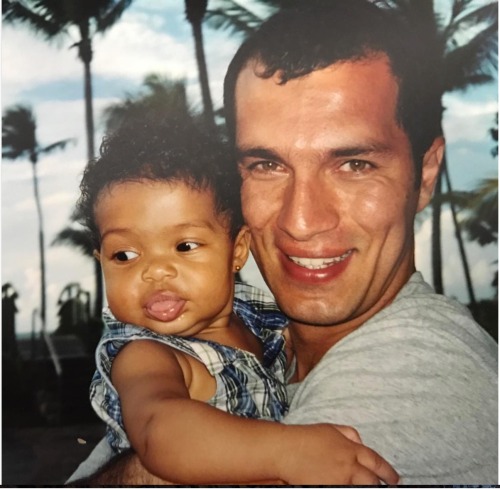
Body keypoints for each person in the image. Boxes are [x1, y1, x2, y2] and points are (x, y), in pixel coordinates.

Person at [68, 0, 498, 485]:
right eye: (266, 165)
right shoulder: (238, 327)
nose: (302, 221)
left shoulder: (419, 379)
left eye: (354, 164)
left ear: (426, 174)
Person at [69, 115, 398, 485]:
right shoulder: (145, 354)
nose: (155, 272)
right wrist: (287, 452)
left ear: (237, 251)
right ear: (101, 261)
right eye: (124, 256)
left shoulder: (255, 317)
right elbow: (160, 432)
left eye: (185, 246)